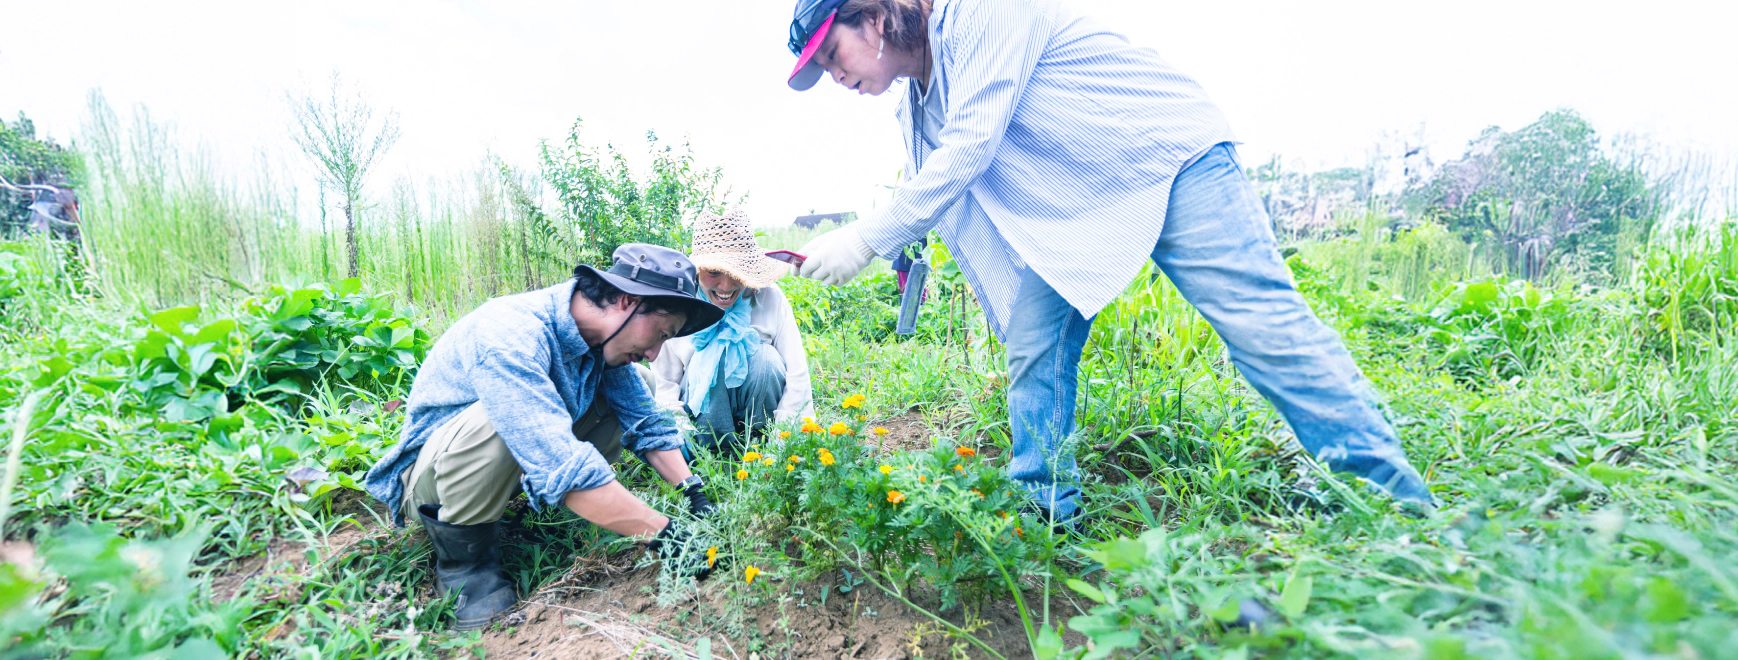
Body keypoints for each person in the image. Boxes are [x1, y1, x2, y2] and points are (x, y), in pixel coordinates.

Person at [780, 0, 1436, 527]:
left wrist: (864, 235)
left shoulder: (979, 11)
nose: (835, 79)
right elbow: (947, 201)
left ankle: (1390, 498)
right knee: (1034, 351)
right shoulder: (917, 108)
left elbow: (971, 147)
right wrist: (850, 249)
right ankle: (1043, 519)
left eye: (831, 56)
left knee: (1260, 327)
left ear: (871, 15)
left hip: (1165, 159)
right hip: (1073, 212)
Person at [362, 244, 727, 630]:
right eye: (660, 334)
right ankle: (464, 565)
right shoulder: (510, 333)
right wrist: (667, 536)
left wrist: (692, 491)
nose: (655, 352)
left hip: (506, 459)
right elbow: (559, 460)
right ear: (627, 300)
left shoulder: (599, 339)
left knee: (641, 380)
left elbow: (644, 419)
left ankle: (550, 501)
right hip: (430, 483)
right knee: (506, 413)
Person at [651, 212, 816, 457]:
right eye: (714, 272)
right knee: (715, 357)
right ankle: (714, 452)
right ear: (697, 271)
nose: (726, 287)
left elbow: (797, 374)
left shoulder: (769, 298)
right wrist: (679, 434)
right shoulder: (677, 307)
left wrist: (783, 438)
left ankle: (759, 444)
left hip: (760, 416)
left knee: (766, 359)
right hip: (702, 421)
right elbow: (665, 385)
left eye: (736, 273)